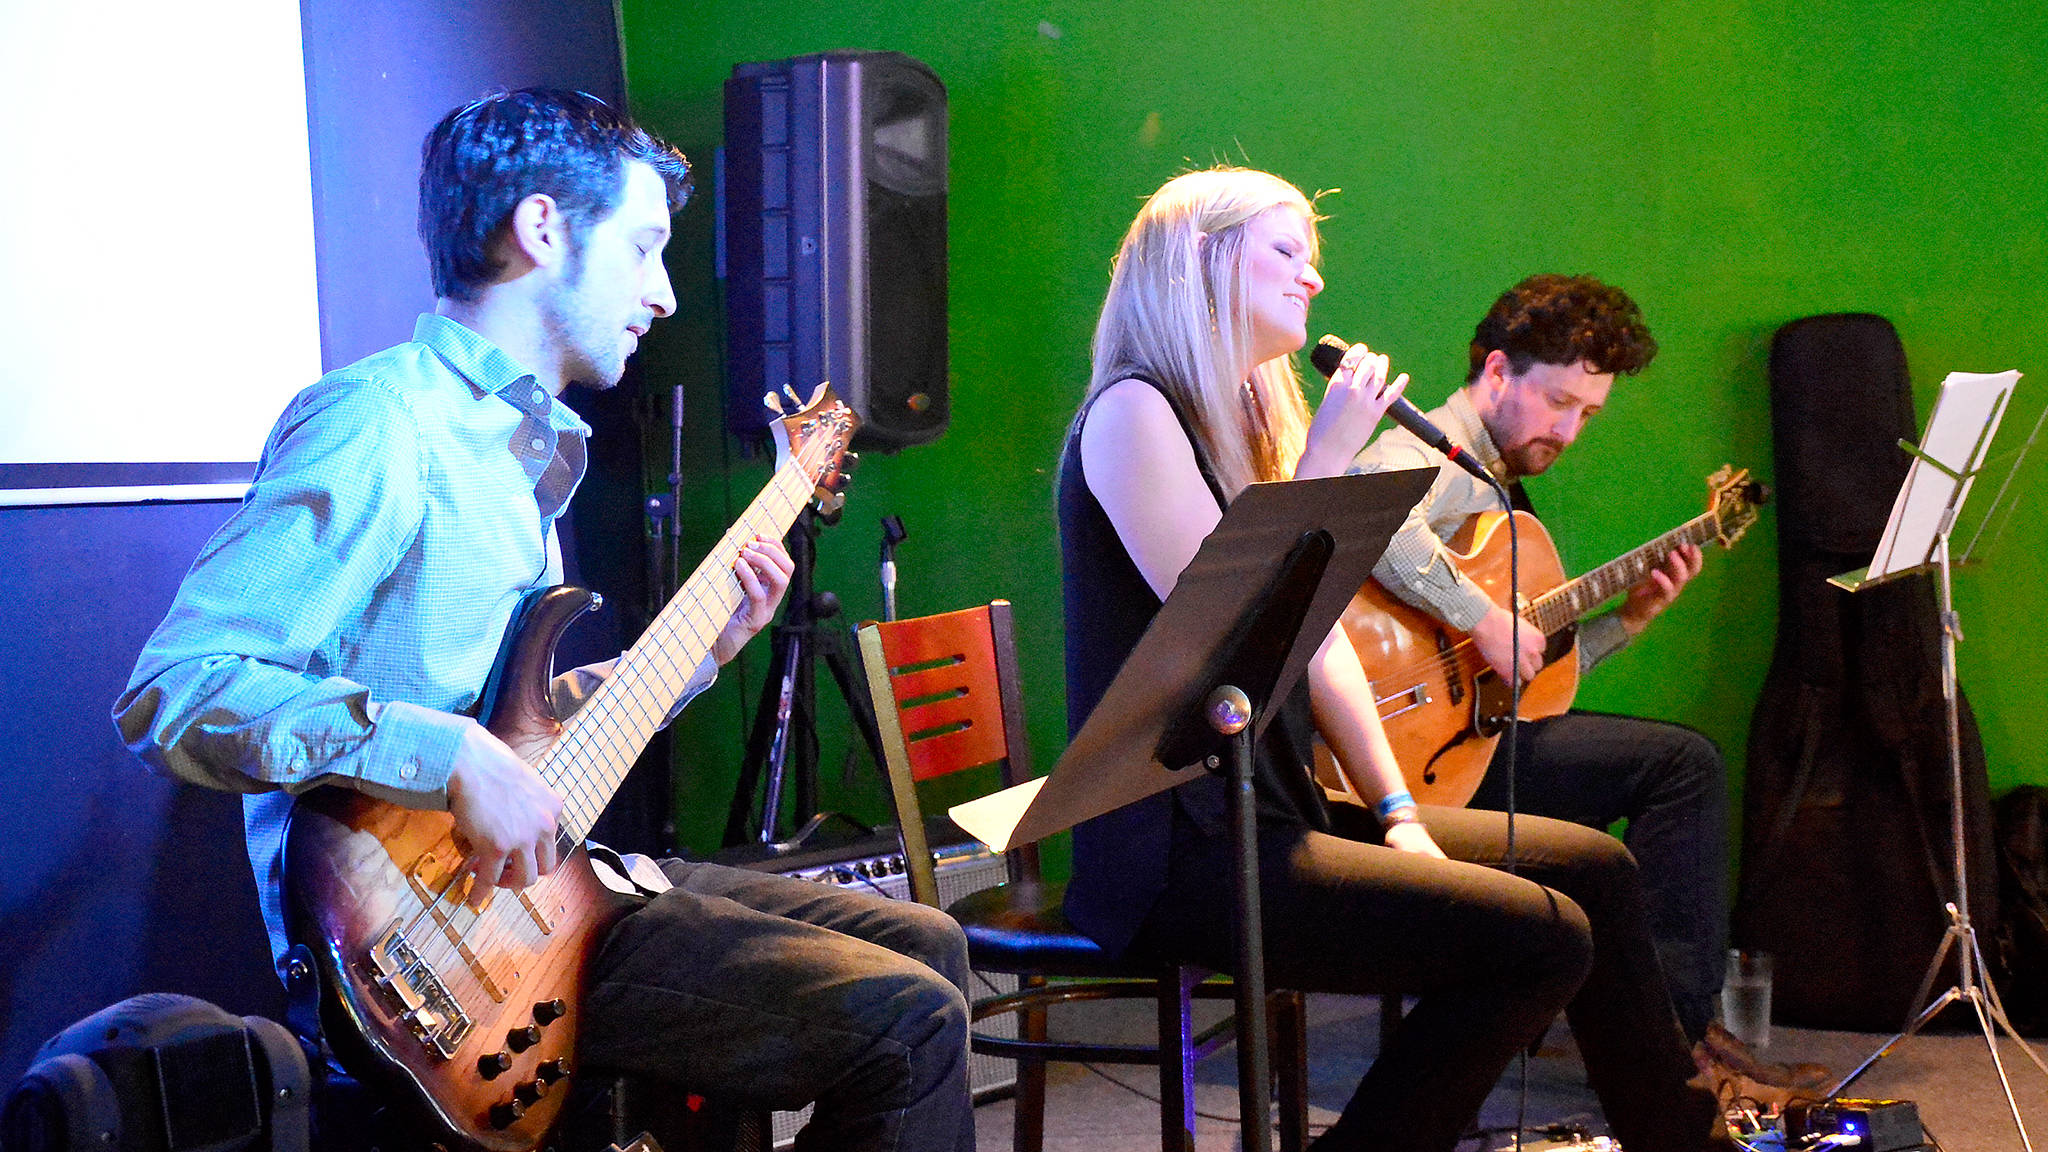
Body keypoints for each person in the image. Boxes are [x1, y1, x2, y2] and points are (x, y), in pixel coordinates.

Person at [113, 89, 972, 1152]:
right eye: (645, 248)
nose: (662, 296)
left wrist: (698, 654)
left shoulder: (520, 454)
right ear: (542, 229)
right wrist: (449, 755)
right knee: (910, 1024)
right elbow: (176, 689)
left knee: (932, 947)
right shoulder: (384, 422)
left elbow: (520, 734)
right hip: (425, 947)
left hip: (537, 890)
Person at [1059, 167, 1730, 1152]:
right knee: (1536, 943)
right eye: (1285, 253)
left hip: (1277, 809)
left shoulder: (1240, 422)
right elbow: (1237, 640)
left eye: (1312, 259)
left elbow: (1320, 646)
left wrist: (1400, 815)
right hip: (1182, 851)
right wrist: (1327, 464)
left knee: (1594, 868)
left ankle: (1684, 1143)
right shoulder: (1130, 415)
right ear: (1201, 259)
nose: (1311, 281)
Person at [1346, 274, 1740, 1047]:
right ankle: (1671, 1046)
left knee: (1672, 765)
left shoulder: (1498, 487)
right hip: (1400, 762)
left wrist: (1625, 622)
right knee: (1684, 767)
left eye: (1587, 415)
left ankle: (1662, 1027)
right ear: (1497, 371)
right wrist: (1482, 616)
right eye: (1559, 403)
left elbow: (1526, 684)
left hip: (1466, 744)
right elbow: (1369, 508)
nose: (1569, 431)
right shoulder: (1430, 448)